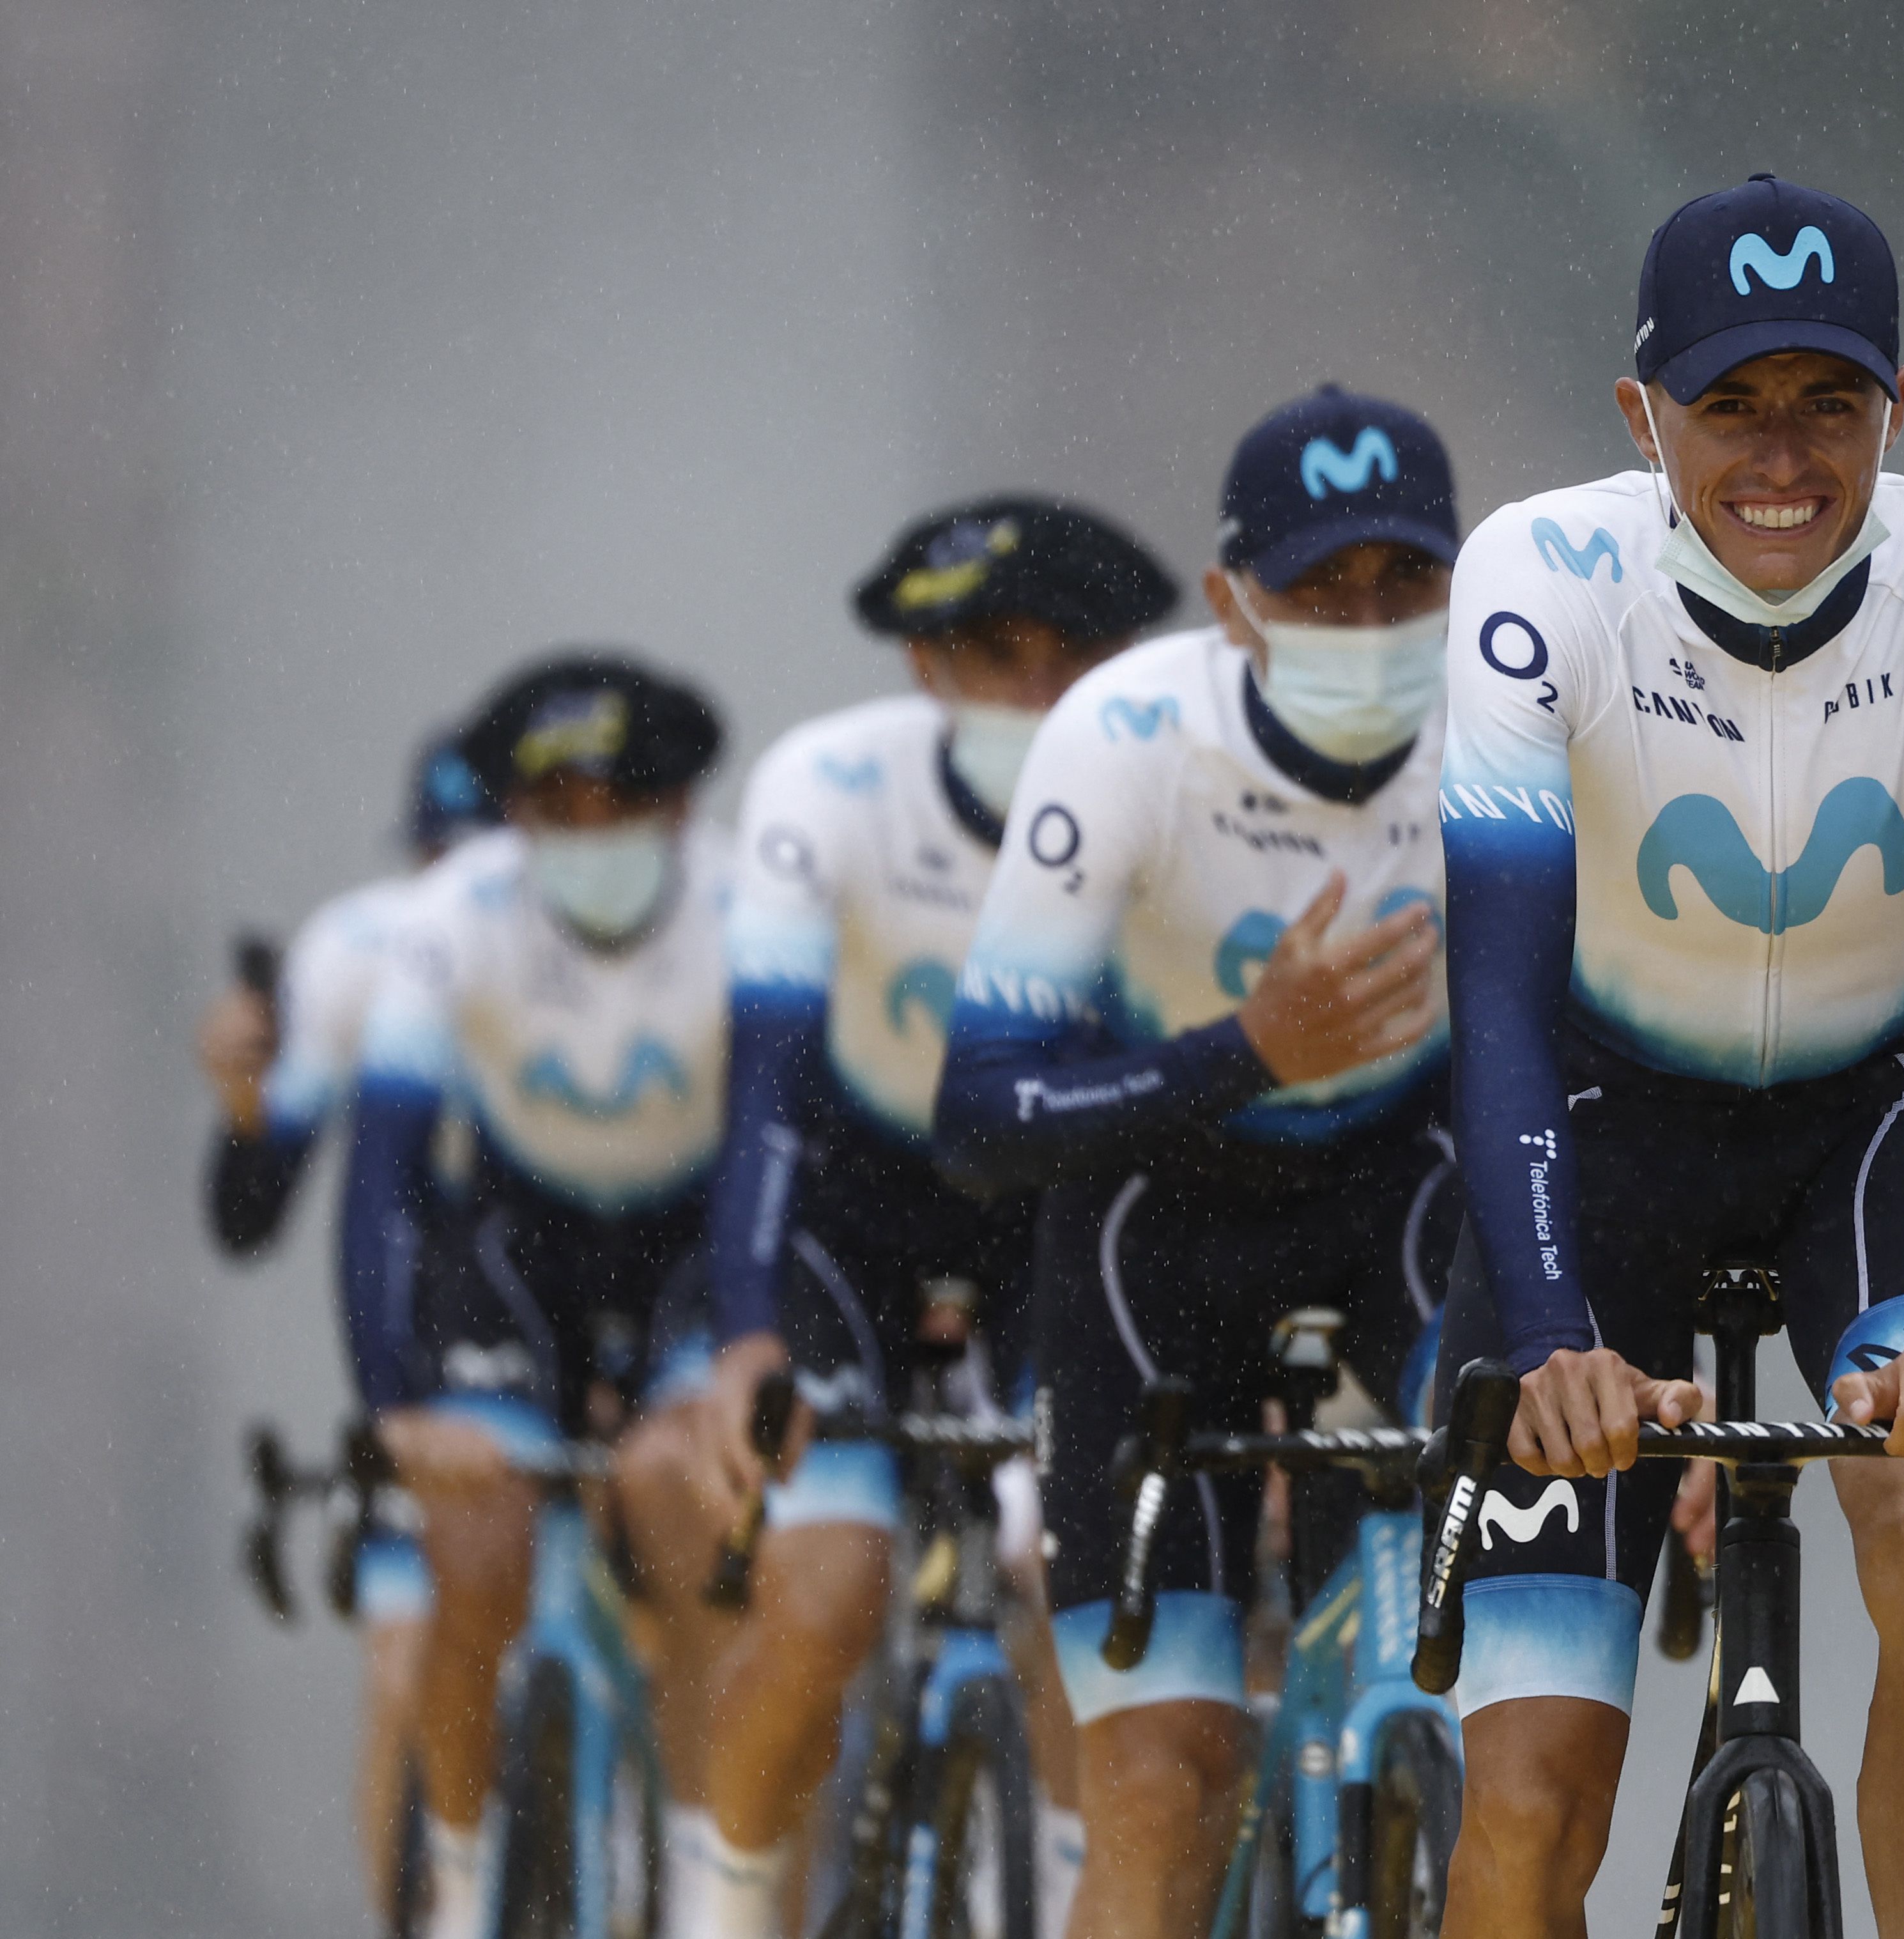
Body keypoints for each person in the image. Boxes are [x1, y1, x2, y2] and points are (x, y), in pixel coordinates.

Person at [1431, 174, 1904, 1939]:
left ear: (1899, 405)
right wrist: (1554, 1333)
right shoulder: (1534, 576)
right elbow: (1488, 1000)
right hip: (1595, 1129)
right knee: (1527, 1805)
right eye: (1728, 403)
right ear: (1640, 414)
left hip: (1879, 1123)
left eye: (1828, 401)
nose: (1778, 455)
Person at [933, 386, 1466, 1939]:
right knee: (1164, 1791)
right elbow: (978, 1115)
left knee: (1525, 1741)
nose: (1365, 623)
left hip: (1416, 1207)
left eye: (1402, 583)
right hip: (1157, 1234)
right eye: (1318, 589)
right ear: (1232, 604)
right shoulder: (1125, 735)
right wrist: (1245, 1050)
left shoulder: (1515, 712)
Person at [698, 495, 1177, 1938]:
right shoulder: (826, 785)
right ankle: (718, 1902)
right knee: (827, 1590)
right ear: (923, 668)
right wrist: (742, 1332)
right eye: (990, 652)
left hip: (1053, 1221)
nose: (1031, 693)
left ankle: (1061, 1885)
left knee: (1069, 1569)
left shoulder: (1171, 787)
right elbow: (765, 1094)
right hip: (846, 1214)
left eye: (1067, 657)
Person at [337, 654, 868, 1939]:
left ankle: (702, 1874)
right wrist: (392, 1404)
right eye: (556, 811)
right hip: (521, 1251)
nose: (588, 837)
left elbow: (782, 1137)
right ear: (512, 818)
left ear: (681, 810)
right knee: (472, 1547)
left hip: (699, 1240)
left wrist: (747, 1335)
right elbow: (382, 1181)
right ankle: (459, 1876)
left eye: (617, 808)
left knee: (685, 1511)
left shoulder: (753, 901)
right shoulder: (448, 918)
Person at [194, 732, 497, 1918]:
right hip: (420, 1362)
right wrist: (240, 1099)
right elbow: (250, 1213)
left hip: (595, 1333)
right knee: (401, 1670)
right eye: (439, 860)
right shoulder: (358, 951)